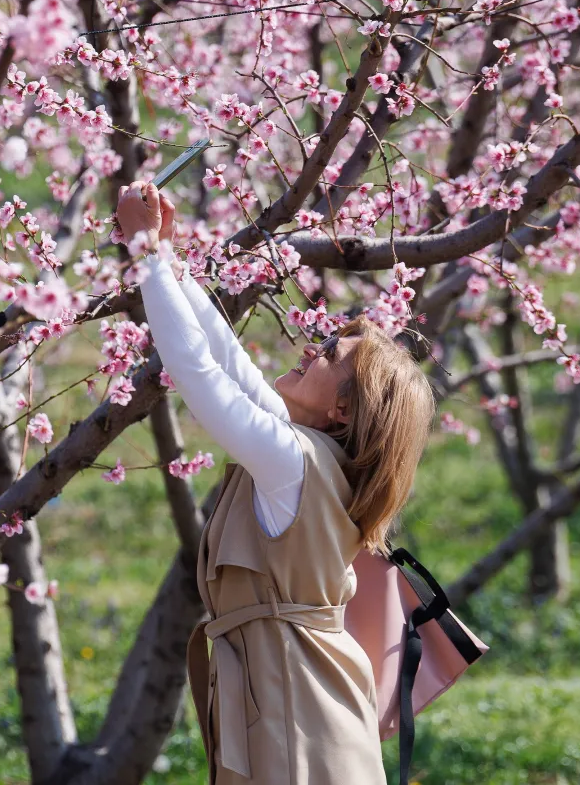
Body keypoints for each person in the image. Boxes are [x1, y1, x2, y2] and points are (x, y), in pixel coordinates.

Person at [116, 180, 435, 785]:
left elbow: (200, 374)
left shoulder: (294, 460)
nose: (312, 349)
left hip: (298, 715)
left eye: (330, 354)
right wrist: (169, 263)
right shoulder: (310, 458)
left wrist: (145, 254)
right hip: (303, 705)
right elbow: (229, 364)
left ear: (345, 408)